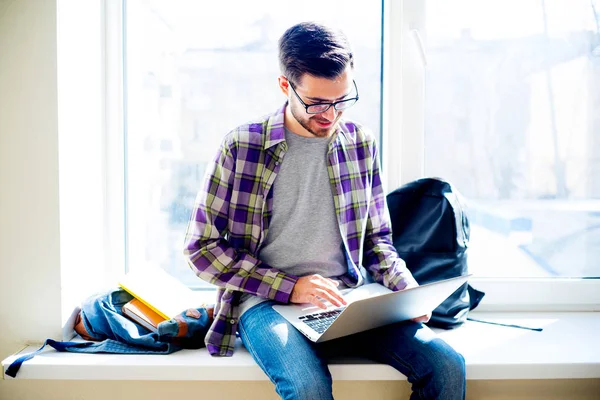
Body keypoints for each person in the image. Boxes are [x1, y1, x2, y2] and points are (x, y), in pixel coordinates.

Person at [184, 21, 466, 400]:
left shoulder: (360, 144)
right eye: (317, 102)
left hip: (349, 300)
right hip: (265, 305)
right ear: (285, 86)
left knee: (447, 365)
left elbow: (378, 240)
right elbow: (201, 249)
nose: (331, 115)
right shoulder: (242, 146)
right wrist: (291, 287)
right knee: (308, 387)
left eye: (342, 100)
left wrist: (406, 290)